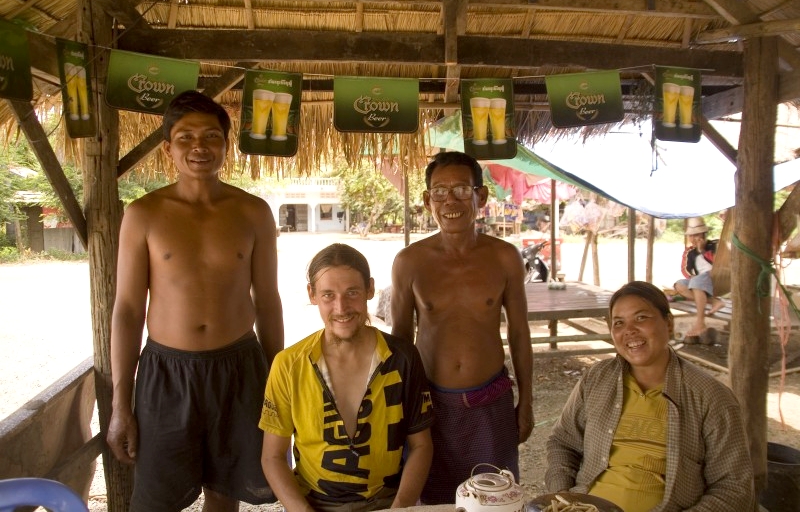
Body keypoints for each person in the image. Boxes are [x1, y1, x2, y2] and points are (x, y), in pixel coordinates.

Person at [107, 90, 284, 511]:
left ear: (226, 145)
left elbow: (269, 301)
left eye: (211, 136)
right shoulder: (144, 214)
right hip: (167, 373)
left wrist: (280, 388)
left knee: (225, 497)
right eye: (185, 137)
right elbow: (128, 310)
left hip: (240, 369)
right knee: (157, 500)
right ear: (168, 148)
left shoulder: (253, 211)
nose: (199, 147)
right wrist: (120, 404)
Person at [390, 151, 534, 504]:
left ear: (480, 196)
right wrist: (397, 406)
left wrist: (527, 400)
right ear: (427, 201)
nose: (449, 201)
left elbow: (519, 332)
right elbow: (399, 340)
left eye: (460, 189)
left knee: (493, 501)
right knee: (434, 500)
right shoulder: (410, 262)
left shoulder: (504, 257)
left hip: (491, 401)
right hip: (429, 405)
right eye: (439, 192)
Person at [545, 281, 754, 512]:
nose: (629, 331)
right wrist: (562, 498)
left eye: (641, 318)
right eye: (619, 323)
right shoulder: (598, 378)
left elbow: (734, 487)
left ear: (669, 323)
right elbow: (563, 442)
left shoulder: (710, 396)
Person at [260, 243, 434, 512]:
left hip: (387, 502)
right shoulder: (289, 365)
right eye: (328, 295)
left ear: (370, 289)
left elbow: (421, 446)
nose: (341, 308)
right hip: (314, 503)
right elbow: (272, 457)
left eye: (352, 292)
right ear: (312, 294)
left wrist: (400, 508)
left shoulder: (402, 358)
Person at [673, 216, 725, 339]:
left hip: (717, 278)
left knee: (696, 281)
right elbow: (686, 270)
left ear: (702, 235)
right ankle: (714, 302)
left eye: (695, 235)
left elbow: (719, 263)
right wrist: (692, 278)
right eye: (690, 236)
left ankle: (700, 322)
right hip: (699, 281)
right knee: (679, 284)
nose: (692, 238)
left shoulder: (715, 245)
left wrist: (701, 251)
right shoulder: (690, 252)